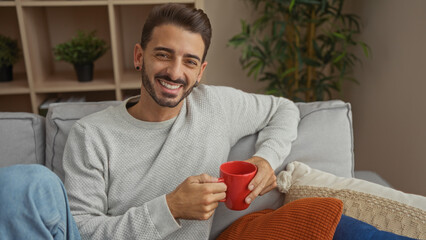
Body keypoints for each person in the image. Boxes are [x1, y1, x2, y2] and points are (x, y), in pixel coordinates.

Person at [0, 3, 299, 240]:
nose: (175, 72)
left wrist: (265, 159)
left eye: (190, 62)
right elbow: (83, 231)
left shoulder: (215, 105)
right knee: (25, 183)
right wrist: (170, 208)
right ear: (139, 56)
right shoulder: (92, 135)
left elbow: (284, 109)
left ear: (201, 71)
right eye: (163, 55)